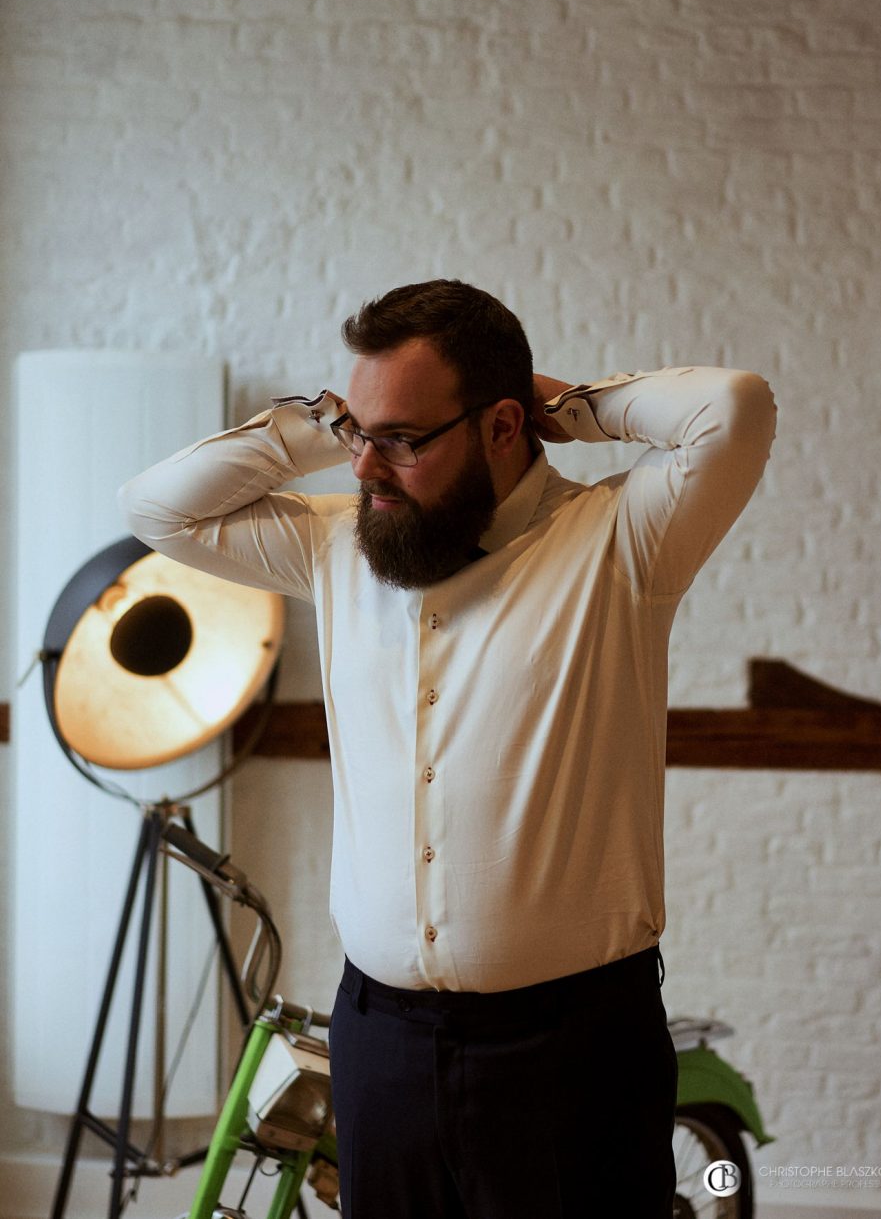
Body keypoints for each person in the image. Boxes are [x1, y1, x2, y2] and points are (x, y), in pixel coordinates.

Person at [119, 278, 776, 1218]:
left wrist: (567, 407)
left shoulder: (620, 540)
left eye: (405, 440)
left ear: (503, 428)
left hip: (571, 1050)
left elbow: (735, 409)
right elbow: (156, 511)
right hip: (382, 1043)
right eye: (361, 437)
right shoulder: (338, 546)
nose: (367, 470)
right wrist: (327, 423)